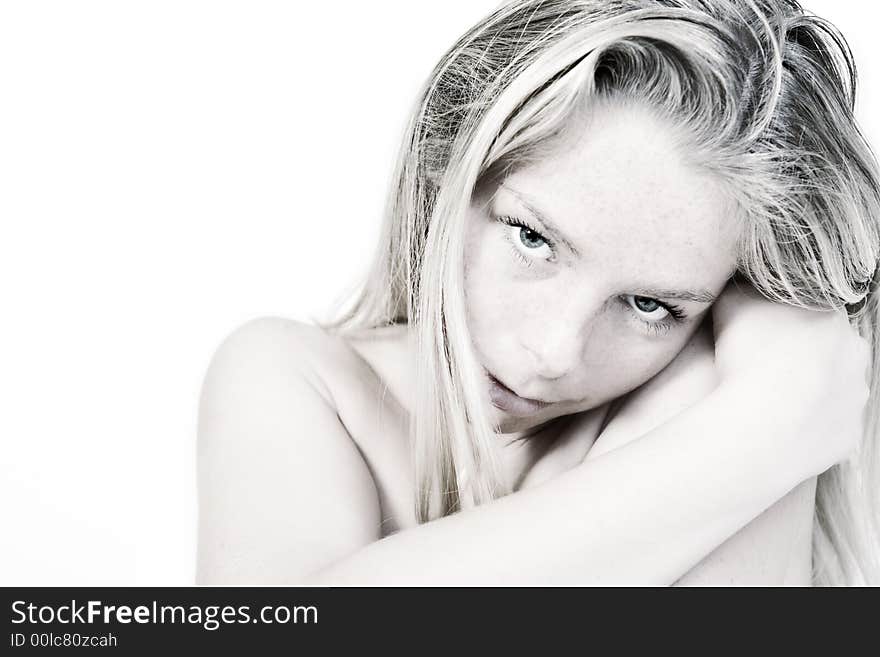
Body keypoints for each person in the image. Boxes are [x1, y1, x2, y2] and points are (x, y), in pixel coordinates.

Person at [195, 0, 880, 585]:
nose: (553, 351)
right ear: (450, 169)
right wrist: (766, 428)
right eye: (533, 238)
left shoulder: (707, 384)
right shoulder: (297, 379)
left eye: (650, 307)